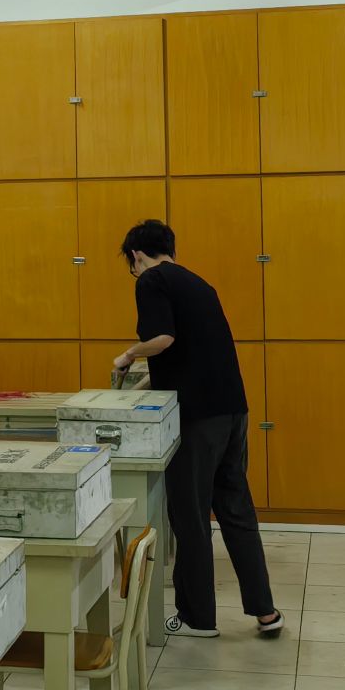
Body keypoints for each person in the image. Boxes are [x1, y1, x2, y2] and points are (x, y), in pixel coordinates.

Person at [112, 219, 282, 639]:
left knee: (190, 515)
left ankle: (196, 618)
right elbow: (192, 351)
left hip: (197, 418)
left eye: (131, 265)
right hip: (232, 411)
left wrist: (128, 356)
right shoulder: (200, 285)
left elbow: (163, 339)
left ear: (136, 256)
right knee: (236, 510)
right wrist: (148, 381)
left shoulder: (151, 280)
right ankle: (266, 612)